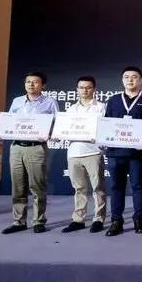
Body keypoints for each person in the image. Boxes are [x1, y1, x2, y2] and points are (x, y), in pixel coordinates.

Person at [0, 71, 59, 234]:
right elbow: (9, 122)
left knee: (37, 186)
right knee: (18, 186)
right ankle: (19, 221)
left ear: (43, 85)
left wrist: (53, 134)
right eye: (28, 82)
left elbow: (57, 123)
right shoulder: (17, 101)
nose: (31, 84)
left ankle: (39, 221)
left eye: (35, 82)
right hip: (16, 147)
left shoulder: (50, 102)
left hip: (36, 148)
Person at [103, 66, 142, 236]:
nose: (130, 80)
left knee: (138, 186)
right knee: (116, 187)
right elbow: (107, 124)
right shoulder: (113, 100)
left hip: (138, 152)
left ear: (140, 80)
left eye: (134, 77)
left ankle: (139, 220)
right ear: (122, 80)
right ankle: (116, 221)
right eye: (127, 77)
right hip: (115, 152)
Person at [61, 76, 107, 234]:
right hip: (74, 152)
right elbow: (64, 129)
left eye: (88, 87)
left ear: (94, 89)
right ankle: (78, 219)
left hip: (93, 151)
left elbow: (106, 128)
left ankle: (98, 219)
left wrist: (99, 137)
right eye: (81, 87)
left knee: (98, 188)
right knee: (79, 188)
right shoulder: (71, 109)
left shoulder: (101, 107)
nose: (85, 90)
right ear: (77, 90)